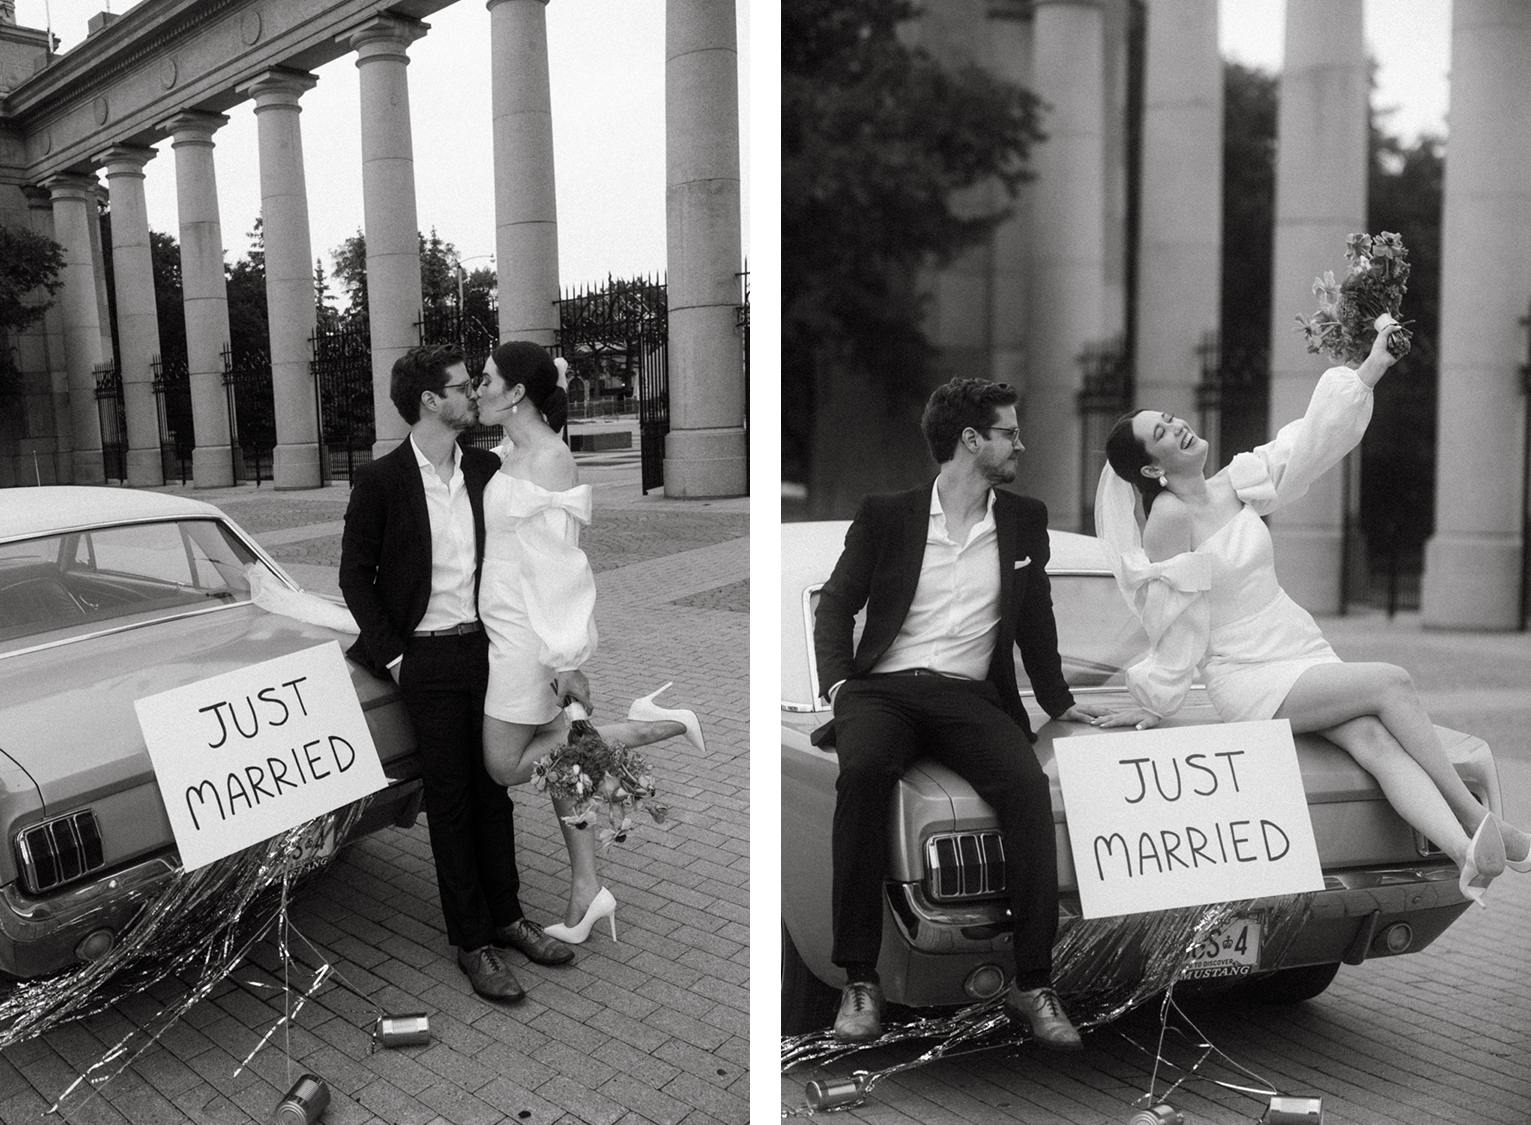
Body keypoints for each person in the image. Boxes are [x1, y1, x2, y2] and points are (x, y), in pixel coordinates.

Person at [1094, 318, 1531, 903]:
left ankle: (1464, 855)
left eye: (1171, 419)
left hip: (1299, 648)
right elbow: (1174, 620)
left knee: (1373, 738)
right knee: (1393, 682)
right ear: (1152, 469)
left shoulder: (1236, 481)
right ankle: (1480, 819)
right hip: (1248, 674)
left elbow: (1310, 440)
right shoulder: (1169, 520)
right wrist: (1155, 700)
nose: (1178, 427)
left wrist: (1372, 365)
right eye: (1162, 433)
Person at [812, 377, 1114, 1047]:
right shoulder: (887, 514)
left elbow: (1036, 620)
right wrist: (838, 687)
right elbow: (835, 604)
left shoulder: (1024, 518)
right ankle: (859, 980)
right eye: (1009, 432)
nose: (1020, 444)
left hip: (968, 696)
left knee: (1027, 786)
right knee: (862, 774)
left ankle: (1032, 982)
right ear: (971, 440)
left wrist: (1062, 703)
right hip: (882, 690)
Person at [339, 344, 574, 1004]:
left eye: (477, 383)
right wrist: (395, 657)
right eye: (462, 386)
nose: (473, 393)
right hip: (424, 659)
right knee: (450, 799)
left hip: (488, 650)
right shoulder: (380, 480)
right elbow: (354, 576)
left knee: (494, 789)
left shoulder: (485, 467)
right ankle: (472, 942)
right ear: (429, 401)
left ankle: (508, 917)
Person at [472, 340, 705, 943]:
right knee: (562, 761)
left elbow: (560, 568)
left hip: (527, 637)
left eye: (486, 380)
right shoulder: (515, 450)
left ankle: (655, 725)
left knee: (503, 764)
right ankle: (587, 890)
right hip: (504, 626)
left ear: (516, 393)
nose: (477, 389)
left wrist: (567, 659)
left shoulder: (550, 459)